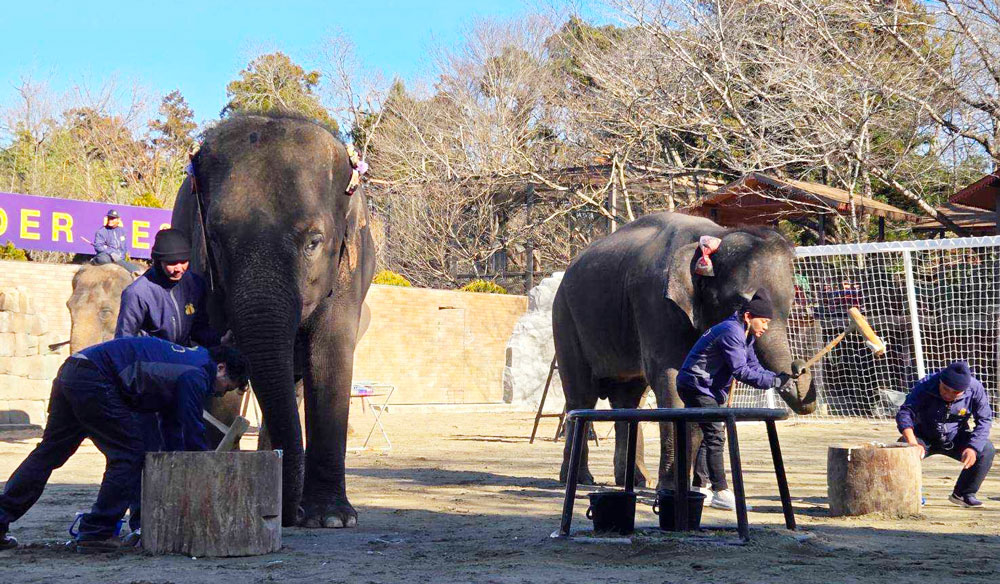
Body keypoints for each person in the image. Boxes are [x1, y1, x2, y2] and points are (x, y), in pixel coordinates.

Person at [0, 337, 250, 553]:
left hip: (74, 370)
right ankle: (97, 532)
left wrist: (178, 460)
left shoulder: (189, 363)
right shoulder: (197, 374)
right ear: (221, 368)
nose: (219, 394)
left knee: (49, 453)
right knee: (129, 455)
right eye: (225, 388)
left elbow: (173, 424)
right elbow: (192, 427)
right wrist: (202, 465)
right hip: (96, 379)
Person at [675, 290, 799, 511]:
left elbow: (754, 367)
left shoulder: (745, 333)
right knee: (715, 435)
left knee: (710, 433)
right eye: (764, 321)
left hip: (707, 388)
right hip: (696, 385)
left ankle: (700, 487)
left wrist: (776, 378)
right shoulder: (732, 332)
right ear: (748, 316)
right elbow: (741, 371)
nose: (766, 327)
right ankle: (721, 491)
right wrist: (776, 382)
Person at [897, 360, 994, 507]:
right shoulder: (926, 384)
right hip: (923, 435)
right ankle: (913, 493)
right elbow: (905, 412)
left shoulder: (975, 389)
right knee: (902, 449)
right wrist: (912, 443)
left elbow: (984, 420)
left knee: (986, 449)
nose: (948, 395)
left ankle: (963, 493)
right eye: (945, 389)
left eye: (955, 393)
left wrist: (973, 447)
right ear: (940, 381)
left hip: (955, 436)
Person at [115, 228, 222, 349]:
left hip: (182, 355)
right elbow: (123, 340)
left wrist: (220, 340)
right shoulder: (137, 293)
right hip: (150, 360)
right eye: (172, 263)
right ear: (158, 262)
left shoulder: (195, 284)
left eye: (184, 261)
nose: (179, 268)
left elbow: (199, 329)